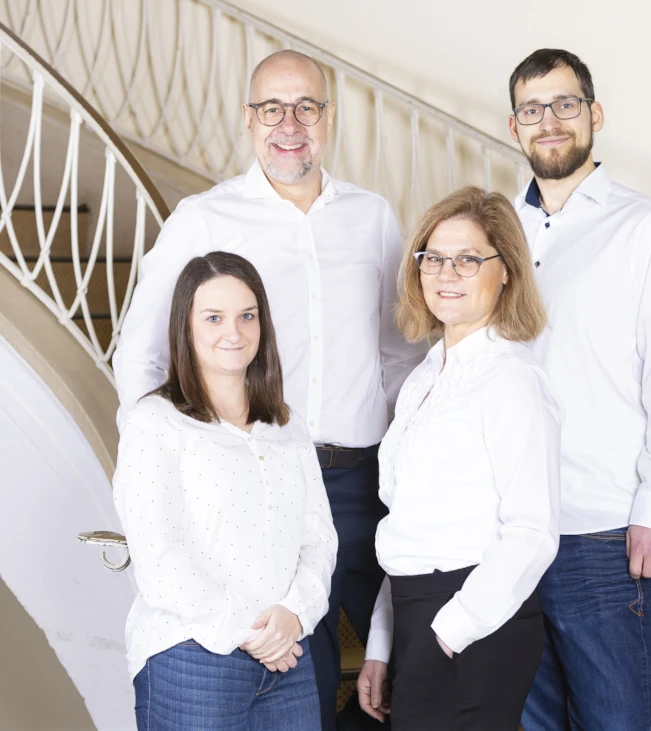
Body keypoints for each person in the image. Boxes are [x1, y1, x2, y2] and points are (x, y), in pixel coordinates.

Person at [113, 50, 425, 730]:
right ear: (250, 121)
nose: (290, 125)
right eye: (272, 109)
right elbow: (141, 350)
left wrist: (419, 462)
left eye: (306, 107)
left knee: (420, 668)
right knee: (293, 668)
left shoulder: (372, 218)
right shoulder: (204, 217)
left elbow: (400, 355)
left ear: (328, 118)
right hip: (261, 487)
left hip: (364, 483)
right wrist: (164, 456)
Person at [506, 49, 651, 730]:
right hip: (510, 526)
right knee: (530, 719)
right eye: (534, 110)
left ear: (594, 114)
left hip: (601, 528)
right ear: (515, 128)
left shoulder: (643, 226)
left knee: (616, 718)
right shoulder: (496, 230)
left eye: (566, 104)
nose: (551, 122)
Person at [356, 186, 562, 731]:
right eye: (434, 258)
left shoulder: (512, 380)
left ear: (507, 273)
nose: (446, 273)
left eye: (469, 259)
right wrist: (382, 641)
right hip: (415, 607)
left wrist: (448, 633)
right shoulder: (424, 377)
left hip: (473, 619)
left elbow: (533, 532)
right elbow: (407, 525)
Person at [113, 251, 337, 730]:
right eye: (213, 317)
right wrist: (250, 631)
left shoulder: (286, 425)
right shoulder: (154, 423)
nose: (232, 332)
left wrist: (295, 614)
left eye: (246, 316)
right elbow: (159, 558)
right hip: (192, 659)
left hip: (287, 658)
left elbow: (318, 540)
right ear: (185, 327)